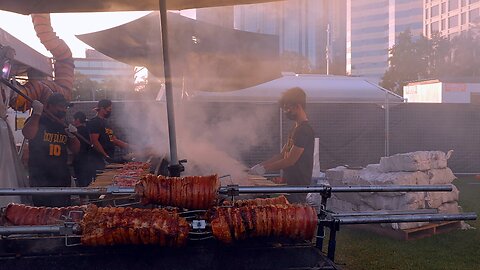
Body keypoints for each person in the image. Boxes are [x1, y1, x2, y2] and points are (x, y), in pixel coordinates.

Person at [249, 87, 314, 203]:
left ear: (298, 106)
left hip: (298, 188)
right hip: (288, 185)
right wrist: (260, 165)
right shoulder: (294, 129)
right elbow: (282, 155)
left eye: (288, 108)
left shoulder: (304, 131)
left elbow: (290, 160)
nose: (286, 112)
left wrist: (265, 169)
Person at [22, 93, 80, 207]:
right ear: (48, 106)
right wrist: (37, 114)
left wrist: (73, 136)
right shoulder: (37, 120)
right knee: (42, 212)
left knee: (62, 211)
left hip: (61, 177)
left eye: (65, 107)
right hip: (40, 177)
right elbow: (28, 134)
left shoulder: (64, 125)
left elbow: (76, 149)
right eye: (60, 106)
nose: (63, 110)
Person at [87, 99, 129, 175]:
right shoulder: (94, 122)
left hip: (109, 159)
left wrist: (130, 147)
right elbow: (94, 141)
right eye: (109, 109)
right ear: (102, 109)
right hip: (99, 160)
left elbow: (113, 139)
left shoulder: (107, 123)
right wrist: (105, 155)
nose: (110, 111)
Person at [72, 111, 93, 187]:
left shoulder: (76, 132)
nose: (73, 121)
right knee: (88, 181)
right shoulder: (88, 130)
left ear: (77, 120)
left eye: (74, 119)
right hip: (88, 159)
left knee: (81, 181)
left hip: (79, 160)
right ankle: (89, 196)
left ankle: (83, 198)